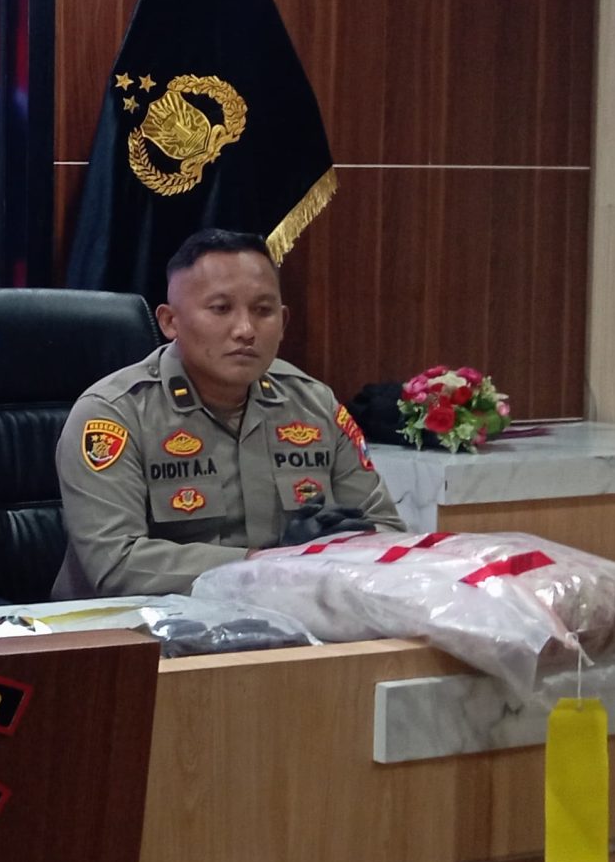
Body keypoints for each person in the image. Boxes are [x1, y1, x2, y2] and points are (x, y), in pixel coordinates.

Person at [54, 229, 403, 599]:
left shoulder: (314, 405)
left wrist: (346, 546)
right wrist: (268, 565)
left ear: (283, 323)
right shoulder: (115, 414)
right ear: (170, 322)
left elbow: (387, 531)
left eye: (263, 311)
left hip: (286, 617)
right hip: (132, 627)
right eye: (221, 309)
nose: (245, 330)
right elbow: (116, 564)